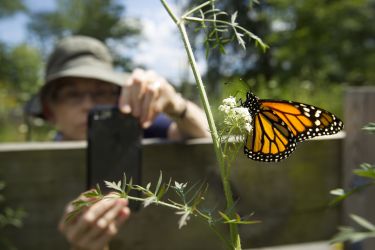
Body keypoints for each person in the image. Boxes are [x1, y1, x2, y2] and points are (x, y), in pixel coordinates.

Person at [29, 35, 209, 250]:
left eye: (101, 92)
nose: (88, 104)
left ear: (117, 97)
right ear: (49, 110)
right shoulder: (41, 168)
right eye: (72, 94)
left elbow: (207, 136)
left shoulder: (141, 127)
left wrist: (176, 106)